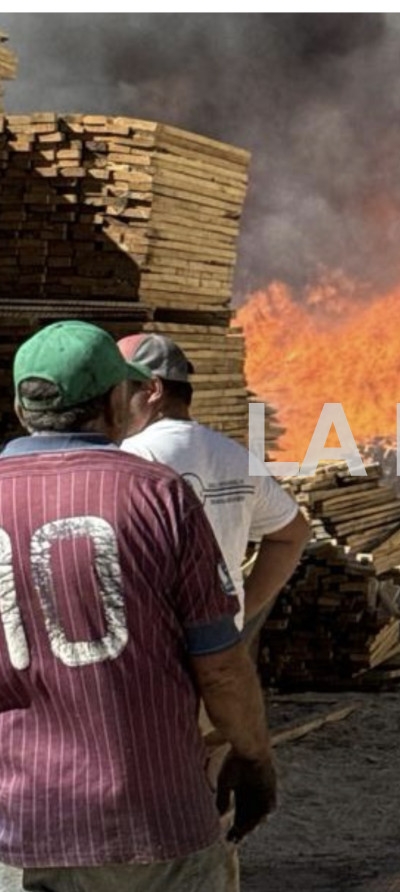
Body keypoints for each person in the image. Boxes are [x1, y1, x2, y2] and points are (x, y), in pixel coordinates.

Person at [0, 320, 276, 892]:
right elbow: (219, 664)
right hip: (157, 822)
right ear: (112, 400)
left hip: (24, 826)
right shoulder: (158, 495)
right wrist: (253, 757)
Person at [116, 333, 309, 637]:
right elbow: (292, 534)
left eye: (118, 389)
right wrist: (242, 612)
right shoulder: (235, 456)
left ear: (153, 389)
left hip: (156, 651)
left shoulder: (131, 457)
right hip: (219, 648)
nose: (111, 401)